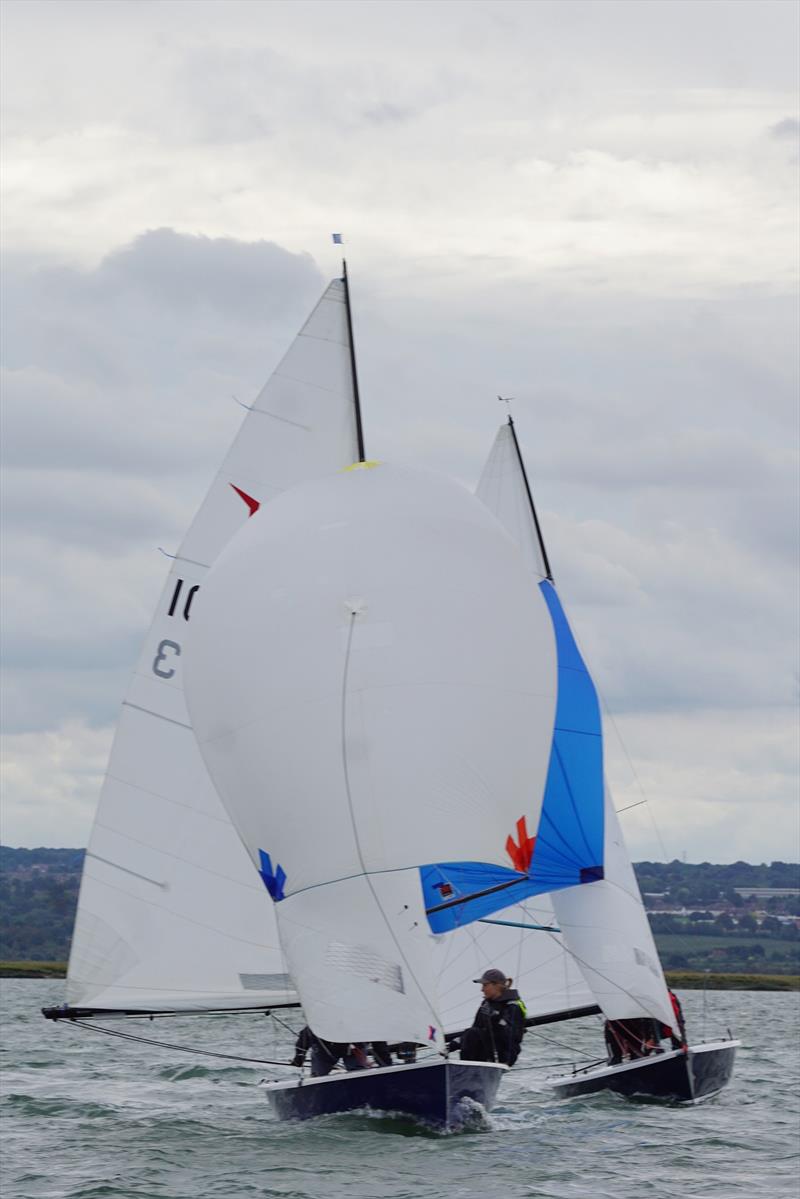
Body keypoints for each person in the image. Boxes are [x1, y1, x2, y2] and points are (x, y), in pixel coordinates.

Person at [458, 968, 526, 1066]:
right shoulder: (486, 1004)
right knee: (470, 1034)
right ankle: (465, 1069)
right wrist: (457, 1042)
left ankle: (470, 1070)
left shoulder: (514, 1005)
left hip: (504, 1054)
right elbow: (476, 1028)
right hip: (486, 1051)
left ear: (496, 986)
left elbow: (511, 1036)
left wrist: (496, 1018)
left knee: (473, 1034)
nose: (482, 989)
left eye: (485, 985)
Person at [290, 1027, 393, 1076]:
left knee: (358, 1072)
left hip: (353, 1050)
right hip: (324, 1051)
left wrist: (386, 1065)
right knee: (318, 1076)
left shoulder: (365, 1024)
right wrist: (299, 1059)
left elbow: (379, 1041)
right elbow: (304, 1037)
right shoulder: (316, 1025)